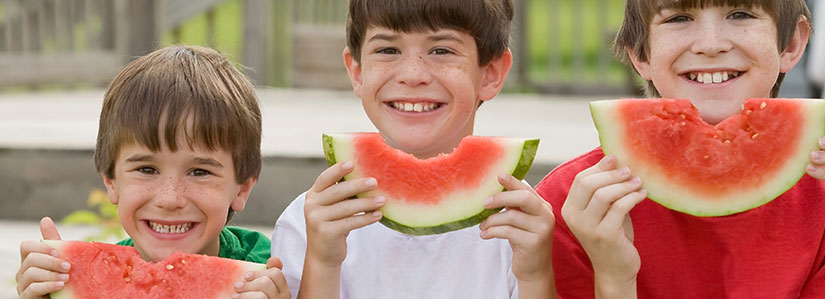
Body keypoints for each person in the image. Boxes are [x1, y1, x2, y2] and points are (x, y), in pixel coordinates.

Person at [536, 0, 825, 298]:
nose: (711, 44)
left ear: (790, 44)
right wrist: (615, 278)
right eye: (679, 17)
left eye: (740, 14)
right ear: (640, 56)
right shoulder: (573, 204)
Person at [270, 0, 557, 298]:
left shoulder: (522, 223)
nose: (412, 74)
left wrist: (535, 276)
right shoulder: (310, 222)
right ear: (357, 72)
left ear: (491, 73)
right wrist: (322, 263)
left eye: (442, 50)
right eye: (388, 50)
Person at [16, 45, 290, 299]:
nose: (169, 199)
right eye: (147, 169)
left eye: (199, 172)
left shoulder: (266, 269)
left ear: (241, 188)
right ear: (111, 182)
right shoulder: (88, 272)